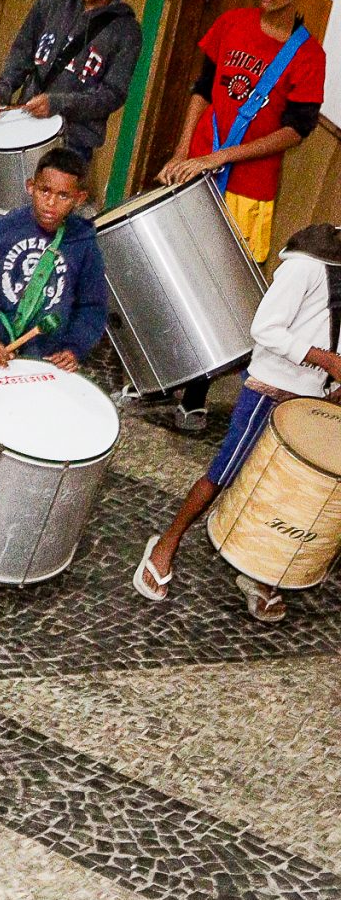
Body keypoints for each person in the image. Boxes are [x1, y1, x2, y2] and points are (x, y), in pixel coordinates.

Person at [134, 223, 341, 624]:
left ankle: (260, 573)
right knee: (226, 473)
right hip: (271, 388)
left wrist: (332, 383)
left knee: (285, 491)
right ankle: (166, 543)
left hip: (312, 396)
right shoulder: (307, 265)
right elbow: (264, 330)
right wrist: (326, 360)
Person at [157, 0, 324, 430]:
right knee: (181, 266)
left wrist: (221, 156)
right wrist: (183, 149)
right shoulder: (232, 22)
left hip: (249, 185)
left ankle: (196, 392)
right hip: (197, 167)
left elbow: (297, 129)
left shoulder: (308, 55)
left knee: (222, 284)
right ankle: (164, 368)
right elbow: (204, 88)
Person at [0, 0, 143, 162]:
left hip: (76, 140)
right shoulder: (52, 2)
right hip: (26, 121)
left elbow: (112, 95)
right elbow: (21, 54)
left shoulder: (126, 31)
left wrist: (59, 103)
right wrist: (0, 93)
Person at [0, 148, 110, 371]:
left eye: (63, 196)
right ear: (30, 186)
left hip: (49, 361)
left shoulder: (83, 242)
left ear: (79, 198)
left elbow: (92, 306)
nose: (51, 202)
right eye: (44, 190)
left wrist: (73, 348)